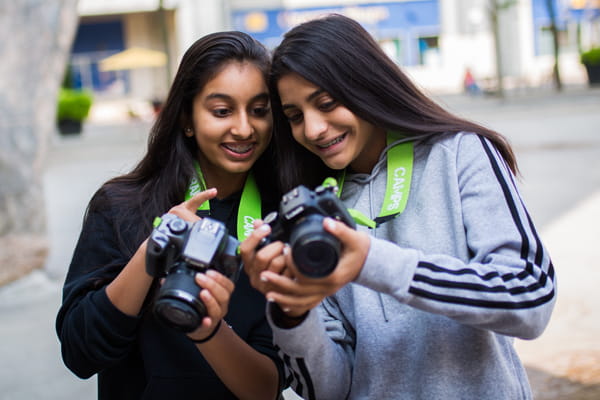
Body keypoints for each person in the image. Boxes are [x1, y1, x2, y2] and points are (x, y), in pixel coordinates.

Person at [240, 14, 556, 400]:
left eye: (327, 103)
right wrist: (292, 313)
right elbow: (327, 390)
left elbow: (531, 298)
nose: (313, 129)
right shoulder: (306, 212)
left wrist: (373, 262)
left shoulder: (459, 152)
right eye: (294, 116)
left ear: (366, 85)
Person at [56, 31, 284, 400]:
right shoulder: (119, 207)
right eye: (222, 111)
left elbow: (267, 389)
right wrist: (154, 249)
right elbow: (80, 354)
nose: (244, 128)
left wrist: (208, 329)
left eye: (259, 111)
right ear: (186, 119)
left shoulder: (281, 220)